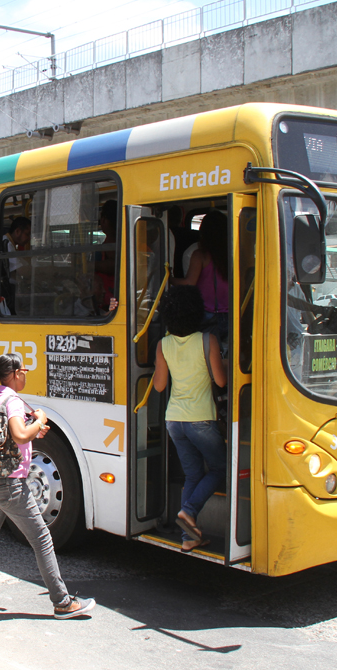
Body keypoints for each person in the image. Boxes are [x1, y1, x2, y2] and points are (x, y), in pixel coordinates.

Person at [0, 354, 96, 619]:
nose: (26, 375)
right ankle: (62, 603)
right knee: (42, 539)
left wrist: (33, 429)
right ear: (14, 373)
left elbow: (9, 436)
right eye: (24, 370)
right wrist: (38, 421)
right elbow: (19, 434)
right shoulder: (13, 401)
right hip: (10, 484)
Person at [152, 286, 227, 552]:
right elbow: (220, 380)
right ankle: (189, 511)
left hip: (174, 421)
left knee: (193, 474)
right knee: (219, 468)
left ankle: (189, 537)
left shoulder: (164, 344)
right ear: (197, 312)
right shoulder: (208, 341)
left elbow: (160, 386)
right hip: (201, 420)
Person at [171, 211, 229, 346]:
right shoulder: (232, 254)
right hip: (231, 313)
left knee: (209, 356)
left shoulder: (200, 255)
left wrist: (168, 278)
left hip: (208, 314)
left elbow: (189, 283)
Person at [0, 216, 31, 315]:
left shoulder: (11, 244)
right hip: (7, 292)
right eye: (27, 234)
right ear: (17, 231)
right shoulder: (6, 243)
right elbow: (22, 270)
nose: (28, 239)